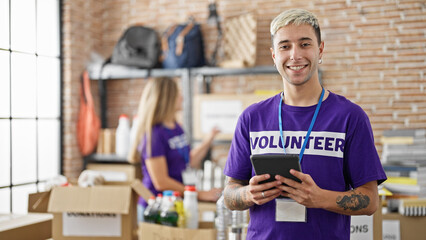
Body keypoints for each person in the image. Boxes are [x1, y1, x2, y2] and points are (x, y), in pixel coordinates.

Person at [223, 9, 387, 239]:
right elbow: (230, 194)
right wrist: (248, 194)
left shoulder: (350, 117)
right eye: (285, 46)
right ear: (273, 55)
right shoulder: (252, 118)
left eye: (305, 44)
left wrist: (320, 198)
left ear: (320, 50)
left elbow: (370, 201)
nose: (295, 55)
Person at [129, 77, 222, 221]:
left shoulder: (176, 127)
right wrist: (199, 194)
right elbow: (161, 182)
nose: (182, 97)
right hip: (156, 208)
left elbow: (187, 160)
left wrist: (209, 139)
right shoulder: (154, 135)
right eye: (178, 94)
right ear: (167, 98)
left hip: (175, 203)